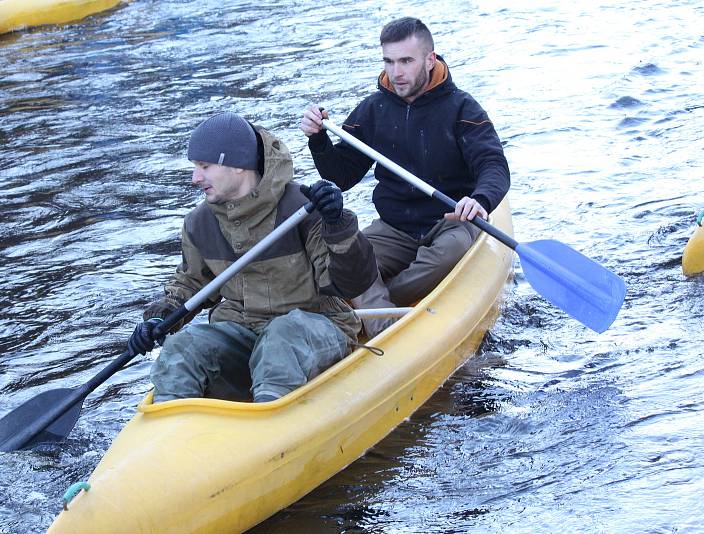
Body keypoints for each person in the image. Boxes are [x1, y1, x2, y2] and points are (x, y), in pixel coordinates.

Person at [127, 112, 378, 403]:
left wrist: (336, 223)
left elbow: (350, 284)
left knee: (282, 338)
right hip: (244, 333)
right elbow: (189, 284)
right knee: (182, 347)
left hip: (315, 326)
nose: (195, 178)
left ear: (238, 166)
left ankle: (272, 423)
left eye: (205, 167)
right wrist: (157, 319)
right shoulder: (200, 223)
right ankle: (169, 425)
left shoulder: (303, 208)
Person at [300, 17, 510, 337]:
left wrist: (479, 200)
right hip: (394, 226)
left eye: (406, 61)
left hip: (450, 219)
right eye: (389, 61)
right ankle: (385, 324)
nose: (396, 72)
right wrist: (318, 140)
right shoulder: (373, 109)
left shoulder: (462, 108)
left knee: (450, 253)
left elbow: (493, 164)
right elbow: (340, 176)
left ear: (430, 59)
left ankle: (374, 301)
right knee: (349, 255)